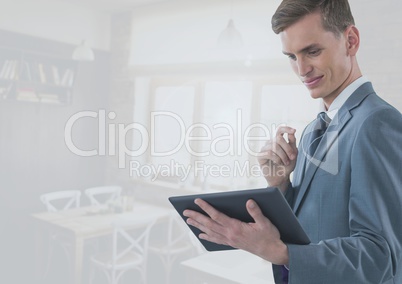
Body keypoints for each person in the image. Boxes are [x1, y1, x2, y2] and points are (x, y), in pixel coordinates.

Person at [183, 0, 402, 283]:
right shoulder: (313, 129)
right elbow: (313, 224)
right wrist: (281, 185)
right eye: (291, 56)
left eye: (312, 51)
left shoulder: (376, 123)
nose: (301, 69)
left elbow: (381, 256)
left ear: (350, 41)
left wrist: (281, 252)